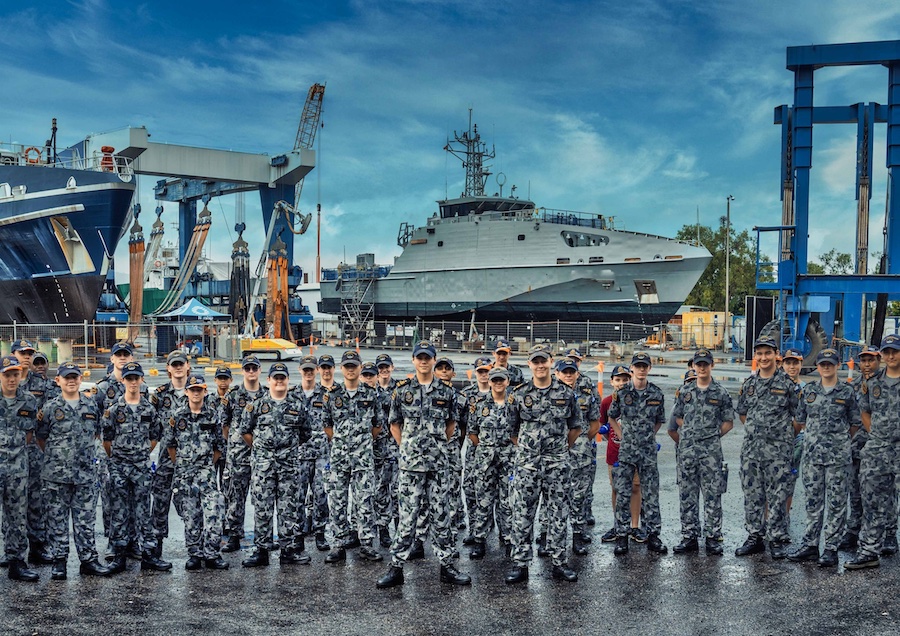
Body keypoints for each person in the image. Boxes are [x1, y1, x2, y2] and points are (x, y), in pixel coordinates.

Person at [376, 340, 470, 588]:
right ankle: (396, 568)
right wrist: (407, 448)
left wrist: (434, 447)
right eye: (420, 357)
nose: (424, 361)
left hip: (438, 466)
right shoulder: (402, 391)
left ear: (434, 360)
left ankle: (447, 566)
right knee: (407, 519)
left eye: (428, 357)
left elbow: (452, 426)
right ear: (414, 360)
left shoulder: (447, 393)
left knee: (442, 518)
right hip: (410, 467)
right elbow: (394, 424)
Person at [504, 345, 580, 584]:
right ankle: (520, 564)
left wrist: (559, 451)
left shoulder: (566, 393)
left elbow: (576, 427)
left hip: (557, 464)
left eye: (543, 361)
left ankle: (559, 563)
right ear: (529, 364)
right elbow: (512, 430)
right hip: (527, 466)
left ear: (551, 361)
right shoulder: (518, 394)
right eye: (535, 361)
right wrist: (528, 452)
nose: (540, 365)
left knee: (558, 513)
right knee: (523, 514)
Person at [36, 362, 113, 580]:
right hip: (56, 476)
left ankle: (88, 560)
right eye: (66, 377)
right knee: (57, 519)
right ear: (58, 380)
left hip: (85, 474)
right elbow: (41, 438)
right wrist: (59, 457)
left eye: (75, 377)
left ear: (80, 379)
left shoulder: (90, 406)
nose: (71, 381)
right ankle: (59, 562)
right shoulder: (50, 408)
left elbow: (96, 434)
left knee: (85, 520)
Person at [788, 349, 860, 567]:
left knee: (837, 503)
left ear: (838, 365)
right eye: (822, 364)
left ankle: (831, 548)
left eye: (830, 363)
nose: (826, 367)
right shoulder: (809, 391)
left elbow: (855, 423)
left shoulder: (847, 392)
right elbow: (800, 421)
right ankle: (810, 545)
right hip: (812, 457)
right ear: (817, 366)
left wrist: (839, 442)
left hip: (838, 458)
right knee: (813, 502)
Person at [101, 361, 172, 573]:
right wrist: (119, 457)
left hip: (141, 467)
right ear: (123, 381)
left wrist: (140, 452)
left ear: (141, 380)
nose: (133, 382)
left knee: (143, 512)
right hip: (120, 466)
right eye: (129, 378)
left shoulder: (149, 409)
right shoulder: (113, 410)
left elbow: (155, 436)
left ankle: (149, 555)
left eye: (136, 378)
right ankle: (119, 556)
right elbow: (107, 439)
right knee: (120, 512)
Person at [734, 336, 799, 560]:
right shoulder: (749, 385)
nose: (763, 357)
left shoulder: (787, 385)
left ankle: (776, 537)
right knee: (752, 494)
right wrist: (757, 432)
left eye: (767, 353)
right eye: (759, 353)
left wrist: (780, 436)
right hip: (752, 451)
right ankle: (755, 537)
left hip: (778, 452)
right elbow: (743, 413)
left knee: (778, 496)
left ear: (776, 355)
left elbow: (798, 418)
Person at [241, 363, 312, 567]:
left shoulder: (297, 406)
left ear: (288, 381)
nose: (279, 381)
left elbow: (305, 433)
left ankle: (288, 550)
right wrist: (261, 450)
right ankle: (261, 551)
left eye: (282, 378)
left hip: (288, 467)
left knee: (287, 509)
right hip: (264, 467)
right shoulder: (256, 405)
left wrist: (287, 450)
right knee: (262, 509)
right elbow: (246, 431)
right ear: (269, 381)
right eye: (276, 378)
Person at [162, 374, 228, 571]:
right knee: (191, 516)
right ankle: (194, 554)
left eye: (199, 390)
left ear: (205, 391)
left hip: (206, 473)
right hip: (185, 474)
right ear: (187, 392)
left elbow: (219, 446)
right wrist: (184, 464)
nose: (196, 393)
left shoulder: (212, 415)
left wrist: (206, 464)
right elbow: (170, 446)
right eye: (193, 390)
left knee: (214, 513)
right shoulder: (178, 416)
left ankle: (212, 554)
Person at [671, 349, 734, 556]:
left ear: (711, 365)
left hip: (711, 453)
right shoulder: (685, 391)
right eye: (698, 364)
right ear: (693, 366)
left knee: (712, 495)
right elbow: (678, 417)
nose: (701, 368)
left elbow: (728, 422)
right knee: (687, 494)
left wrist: (712, 435)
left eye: (705, 364)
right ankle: (689, 536)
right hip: (688, 451)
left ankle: (713, 537)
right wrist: (690, 431)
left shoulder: (721, 392)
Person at [846, 334, 900, 570]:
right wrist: (877, 434)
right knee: (872, 501)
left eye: (894, 352)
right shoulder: (873, 382)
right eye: (887, 352)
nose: (890, 356)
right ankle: (869, 551)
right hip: (878, 448)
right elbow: (865, 411)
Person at [322, 351, 382, 564]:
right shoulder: (332, 395)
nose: (350, 369)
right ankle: (338, 544)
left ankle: (366, 544)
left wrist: (361, 443)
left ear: (359, 368)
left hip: (363, 458)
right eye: (346, 365)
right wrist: (341, 442)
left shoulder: (370, 394)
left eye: (353, 365)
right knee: (337, 501)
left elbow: (377, 425)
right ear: (341, 368)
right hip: (339, 458)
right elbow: (327, 425)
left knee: (364, 501)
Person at [607, 351, 668, 556]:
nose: (641, 369)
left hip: (648, 452)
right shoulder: (622, 393)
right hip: (627, 452)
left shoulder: (656, 394)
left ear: (649, 368)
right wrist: (622, 435)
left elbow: (660, 420)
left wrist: (649, 435)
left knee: (651, 494)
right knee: (623, 493)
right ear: (632, 368)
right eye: (638, 366)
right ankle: (622, 536)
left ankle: (653, 536)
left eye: (645, 366)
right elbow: (612, 417)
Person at [12, 339, 54, 565]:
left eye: (29, 352)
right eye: (22, 353)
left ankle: (38, 547)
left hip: (36, 450)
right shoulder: (7, 382)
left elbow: (52, 415)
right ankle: (11, 550)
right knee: (12, 502)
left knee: (37, 499)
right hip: (10, 452)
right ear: (14, 354)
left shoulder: (43, 384)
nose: (26, 356)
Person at [467, 366, 515, 559]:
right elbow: (472, 432)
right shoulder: (479, 404)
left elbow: (519, 431)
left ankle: (509, 538)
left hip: (508, 460)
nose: (497, 383)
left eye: (501, 380)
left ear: (507, 381)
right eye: (494, 380)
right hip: (485, 461)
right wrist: (487, 448)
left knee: (508, 502)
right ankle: (480, 540)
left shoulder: (515, 404)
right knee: (484, 501)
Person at [555, 357, 600, 556]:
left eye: (571, 371)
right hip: (555, 453)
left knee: (579, 496)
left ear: (576, 373)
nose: (568, 375)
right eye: (564, 372)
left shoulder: (587, 394)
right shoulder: (549, 394)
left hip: (581, 453)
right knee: (555, 497)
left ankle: (577, 535)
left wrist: (580, 441)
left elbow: (595, 423)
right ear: (557, 373)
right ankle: (552, 537)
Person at [221, 355, 266, 553]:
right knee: (235, 497)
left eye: (254, 368)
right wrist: (235, 444)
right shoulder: (233, 395)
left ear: (259, 370)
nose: (250, 372)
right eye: (247, 368)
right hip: (238, 456)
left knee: (261, 497)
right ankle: (233, 535)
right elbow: (225, 425)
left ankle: (262, 536)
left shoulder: (267, 394)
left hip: (262, 456)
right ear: (242, 370)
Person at [0, 355, 40, 581]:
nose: (12, 379)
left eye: (15, 374)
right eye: (7, 375)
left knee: (17, 516)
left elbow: (29, 433)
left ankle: (16, 562)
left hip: (17, 468)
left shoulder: (28, 401)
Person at [150, 350, 191, 559]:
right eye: (174, 364)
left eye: (181, 364)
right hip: (166, 458)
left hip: (189, 459)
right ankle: (155, 546)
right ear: (168, 368)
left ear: (187, 366)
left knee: (191, 503)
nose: (177, 368)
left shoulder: (196, 390)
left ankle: (195, 548)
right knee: (160, 501)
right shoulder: (159, 395)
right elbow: (150, 425)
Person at [841, 345, 881, 551]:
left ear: (878, 361)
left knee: (882, 493)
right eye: (864, 360)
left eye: (871, 360)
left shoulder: (885, 383)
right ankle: (853, 530)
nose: (867, 364)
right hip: (856, 446)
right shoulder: (852, 386)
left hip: (879, 446)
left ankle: (889, 534)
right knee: (855, 490)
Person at [599, 365, 642, 543]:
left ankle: (634, 526)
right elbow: (603, 427)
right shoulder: (607, 402)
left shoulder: (638, 399)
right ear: (612, 382)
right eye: (618, 380)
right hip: (615, 452)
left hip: (635, 452)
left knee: (635, 487)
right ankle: (618, 524)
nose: (622, 383)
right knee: (616, 488)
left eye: (625, 379)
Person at [293, 354, 332, 552]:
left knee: (321, 494)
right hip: (299, 455)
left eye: (311, 369)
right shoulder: (292, 395)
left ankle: (320, 533)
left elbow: (333, 423)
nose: (308, 373)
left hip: (321, 455)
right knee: (298, 496)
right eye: (305, 369)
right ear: (300, 371)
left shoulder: (326, 395)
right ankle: (298, 534)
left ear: (317, 371)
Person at [461, 356, 493, 547]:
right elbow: (461, 424)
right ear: (475, 372)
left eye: (487, 371)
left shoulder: (500, 391)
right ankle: (475, 529)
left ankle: (498, 530)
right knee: (471, 490)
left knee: (496, 493)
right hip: (474, 451)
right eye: (480, 371)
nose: (484, 375)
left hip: (496, 452)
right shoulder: (466, 395)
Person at [371, 353, 399, 549]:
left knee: (399, 490)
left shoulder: (402, 389)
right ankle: (383, 530)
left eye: (386, 366)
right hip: (378, 448)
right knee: (380, 489)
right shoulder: (371, 391)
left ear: (392, 367)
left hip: (397, 447)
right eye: (380, 367)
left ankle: (400, 528)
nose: (384, 370)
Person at [781, 348, 805, 516]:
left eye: (795, 363)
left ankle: (786, 516)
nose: (792, 367)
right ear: (783, 365)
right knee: (773, 480)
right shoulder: (776, 385)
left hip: (796, 439)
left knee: (790, 479)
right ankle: (770, 519)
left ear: (800, 364)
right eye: (788, 363)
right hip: (777, 439)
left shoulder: (806, 389)